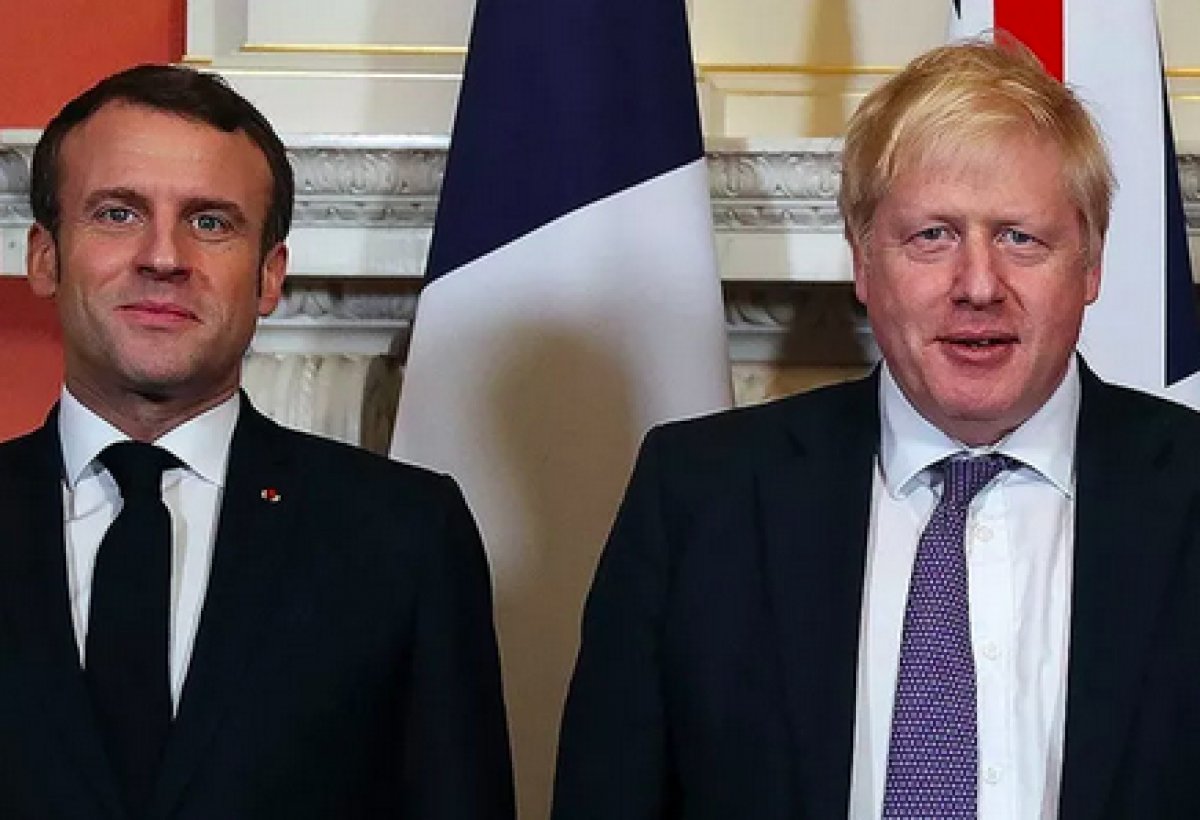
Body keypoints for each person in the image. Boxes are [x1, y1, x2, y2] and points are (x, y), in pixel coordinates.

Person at [552, 36, 1200, 820]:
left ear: (1091, 265)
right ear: (862, 261)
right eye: (932, 236)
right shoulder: (698, 498)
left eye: (1020, 237)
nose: (978, 285)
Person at [0, 65, 514, 819]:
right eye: (118, 213)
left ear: (270, 277)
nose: (164, 257)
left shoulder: (403, 536)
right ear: (44, 256)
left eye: (211, 222)